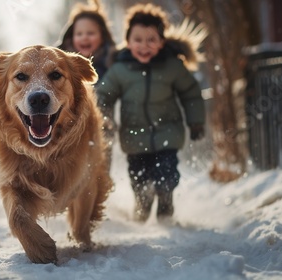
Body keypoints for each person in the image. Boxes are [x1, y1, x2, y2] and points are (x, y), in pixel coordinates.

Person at [96, 3, 206, 222]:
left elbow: (191, 93)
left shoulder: (172, 66)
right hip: (134, 139)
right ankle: (141, 209)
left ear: (162, 42)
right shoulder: (120, 70)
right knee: (139, 179)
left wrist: (196, 122)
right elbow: (103, 96)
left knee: (166, 175)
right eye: (138, 40)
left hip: (167, 134)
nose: (144, 46)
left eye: (151, 40)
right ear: (127, 42)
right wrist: (104, 118)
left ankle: (166, 208)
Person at [57, 0, 116, 170]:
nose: (84, 37)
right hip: (68, 130)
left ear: (102, 36)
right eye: (79, 33)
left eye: (91, 33)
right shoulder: (60, 65)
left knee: (99, 173)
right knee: (71, 174)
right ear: (71, 36)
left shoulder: (112, 61)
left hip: (103, 128)